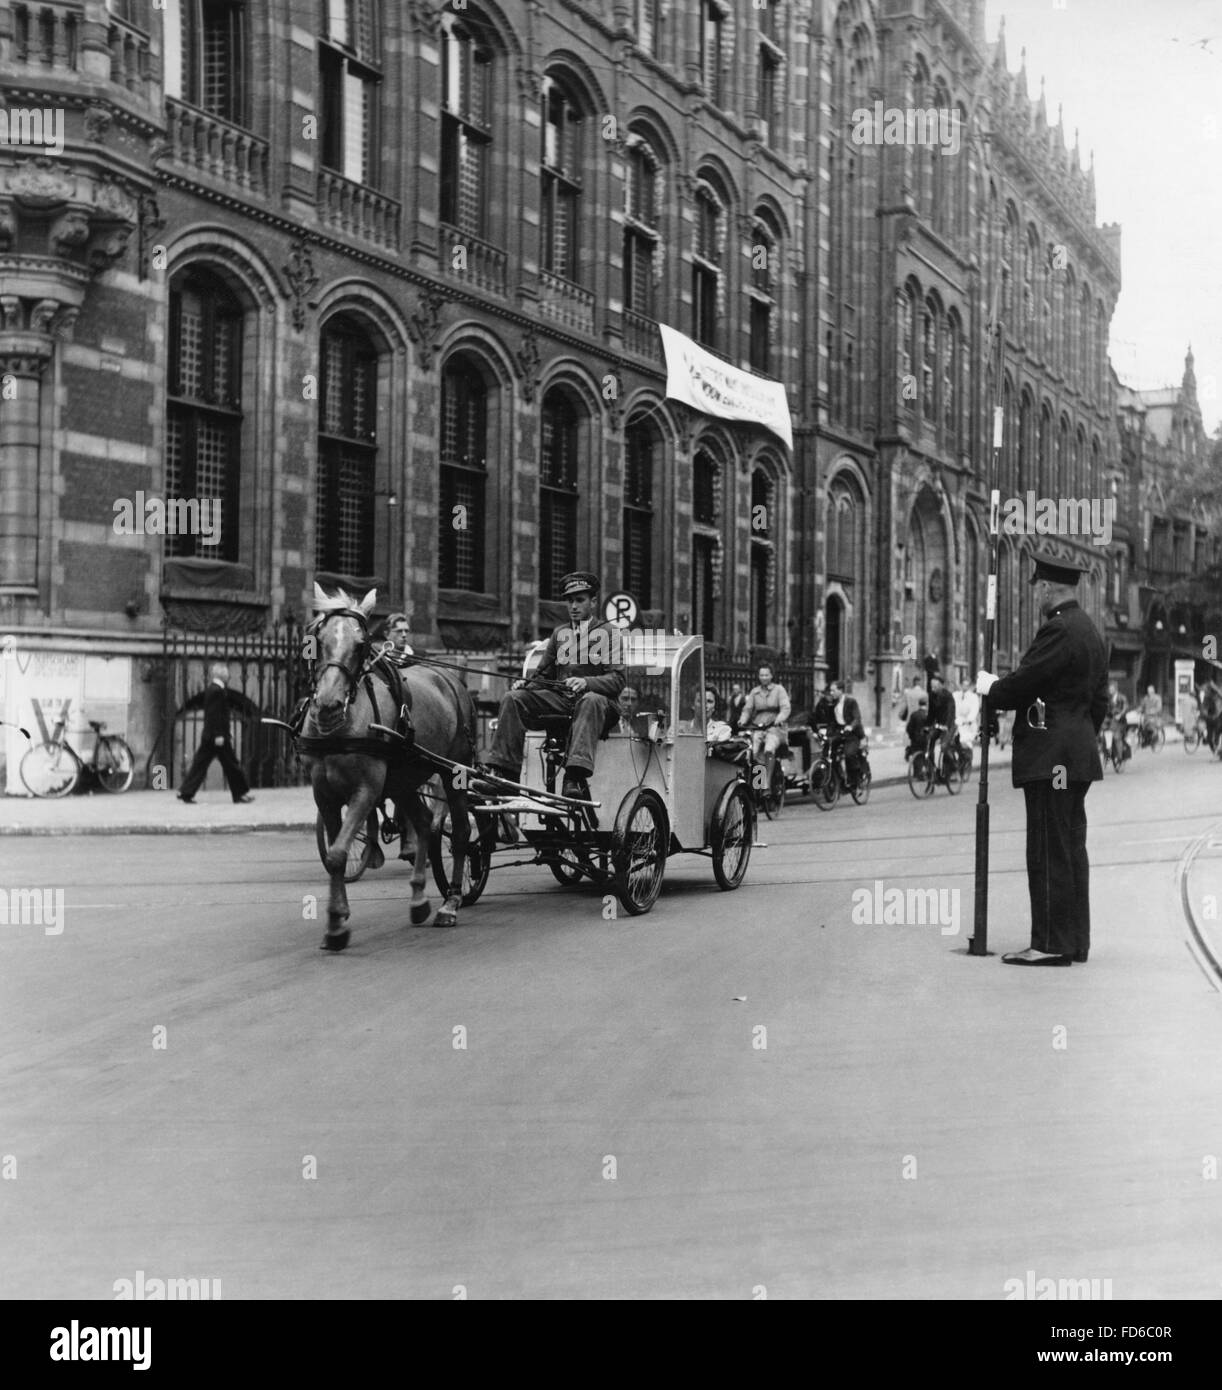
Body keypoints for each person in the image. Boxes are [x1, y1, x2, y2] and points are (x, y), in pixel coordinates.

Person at [975, 548, 1108, 966]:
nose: (1037, 596)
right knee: (1070, 848)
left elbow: (1025, 683)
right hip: (1076, 754)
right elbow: (1099, 702)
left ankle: (1049, 944)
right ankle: (1075, 941)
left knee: (1047, 849)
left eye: (1039, 589)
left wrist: (991, 689)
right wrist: (1079, 737)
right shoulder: (1090, 631)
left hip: (1052, 756)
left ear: (1050, 588)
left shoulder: (1058, 630)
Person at [479, 571, 625, 801]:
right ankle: (504, 775)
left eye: (580, 600)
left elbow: (617, 679)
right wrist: (526, 684)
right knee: (513, 698)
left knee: (590, 699)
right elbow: (542, 674)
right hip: (565, 703)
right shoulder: (560, 634)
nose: (574, 606)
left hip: (601, 706)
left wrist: (586, 682)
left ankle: (574, 776)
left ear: (593, 601)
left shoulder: (609, 633)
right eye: (570, 601)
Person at [176, 664, 255, 804]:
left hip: (212, 736)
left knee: (201, 764)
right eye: (226, 673)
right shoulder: (216, 691)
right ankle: (240, 794)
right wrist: (219, 734)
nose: (228, 675)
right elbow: (214, 715)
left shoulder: (215, 689)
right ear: (220, 675)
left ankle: (185, 792)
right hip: (216, 737)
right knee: (232, 765)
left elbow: (219, 714)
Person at [740, 663, 791, 784]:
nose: (763, 677)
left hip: (775, 727)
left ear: (771, 675)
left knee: (769, 749)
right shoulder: (755, 692)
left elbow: (785, 708)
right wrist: (742, 720)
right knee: (754, 752)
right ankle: (758, 783)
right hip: (758, 725)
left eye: (766, 675)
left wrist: (779, 719)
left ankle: (766, 782)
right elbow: (747, 709)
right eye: (761, 675)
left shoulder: (779, 690)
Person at [813, 678, 866, 781]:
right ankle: (836, 777)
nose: (831, 693)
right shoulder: (832, 703)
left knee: (849, 754)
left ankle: (856, 778)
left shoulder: (850, 701)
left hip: (852, 734)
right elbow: (829, 720)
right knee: (827, 751)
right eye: (830, 691)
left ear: (841, 690)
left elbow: (857, 718)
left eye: (834, 690)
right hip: (838, 732)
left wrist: (850, 726)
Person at [925, 671, 957, 770]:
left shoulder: (948, 696)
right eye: (931, 686)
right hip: (938, 724)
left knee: (944, 746)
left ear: (941, 685)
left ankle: (954, 766)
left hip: (949, 725)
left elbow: (950, 712)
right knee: (930, 740)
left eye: (935, 686)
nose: (932, 688)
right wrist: (927, 725)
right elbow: (931, 713)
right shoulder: (931, 696)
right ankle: (931, 767)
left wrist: (946, 725)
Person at [897, 676, 928, 758]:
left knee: (910, 732)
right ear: (920, 683)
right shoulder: (924, 693)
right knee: (920, 732)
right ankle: (919, 751)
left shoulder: (908, 693)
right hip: (921, 716)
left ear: (913, 683)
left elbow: (904, 706)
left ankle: (909, 749)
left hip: (911, 716)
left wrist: (901, 715)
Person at [1102, 680, 1130, 762]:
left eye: (1111, 689)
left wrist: (1120, 714)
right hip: (1112, 721)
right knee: (1104, 734)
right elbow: (1107, 710)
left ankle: (1120, 756)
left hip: (1121, 722)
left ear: (1115, 689)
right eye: (1109, 689)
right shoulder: (1109, 699)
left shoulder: (1122, 697)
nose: (1109, 690)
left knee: (1117, 737)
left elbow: (1126, 707)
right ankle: (1108, 754)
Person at [953, 676, 980, 761]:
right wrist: (954, 718)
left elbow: (974, 710)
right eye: (963, 685)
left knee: (965, 742)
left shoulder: (973, 697)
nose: (965, 687)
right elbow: (953, 708)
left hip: (968, 725)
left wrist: (969, 719)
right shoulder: (955, 695)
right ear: (960, 685)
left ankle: (967, 760)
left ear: (969, 686)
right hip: (957, 722)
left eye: (967, 685)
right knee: (952, 742)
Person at [1200, 679, 1222, 753]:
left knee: (1217, 735)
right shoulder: (1206, 698)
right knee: (1209, 739)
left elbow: (1218, 709)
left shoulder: (1218, 696)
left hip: (1218, 718)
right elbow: (1203, 707)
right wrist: (1203, 714)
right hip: (1209, 719)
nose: (1207, 691)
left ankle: (1217, 751)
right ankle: (1215, 751)